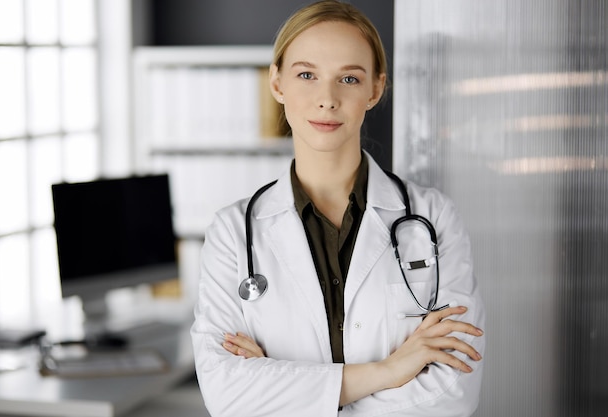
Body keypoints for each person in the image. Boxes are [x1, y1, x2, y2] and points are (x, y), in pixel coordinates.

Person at [190, 1, 485, 415]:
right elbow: (228, 396)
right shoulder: (233, 232)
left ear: (375, 90)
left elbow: (452, 392)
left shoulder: (433, 218)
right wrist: (390, 369)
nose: (326, 99)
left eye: (348, 78)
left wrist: (286, 391)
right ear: (277, 84)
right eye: (306, 75)